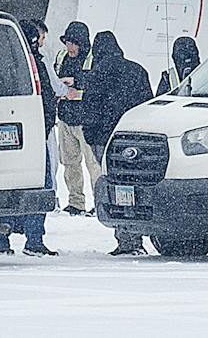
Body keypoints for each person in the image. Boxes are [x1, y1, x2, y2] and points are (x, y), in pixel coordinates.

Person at [81, 30, 154, 255]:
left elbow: (89, 110)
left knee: (116, 188)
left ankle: (124, 237)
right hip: (133, 140)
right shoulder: (137, 71)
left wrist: (91, 137)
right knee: (136, 186)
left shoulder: (96, 75)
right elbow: (147, 104)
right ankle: (136, 235)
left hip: (105, 140)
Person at [0, 19, 60, 256]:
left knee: (9, 187)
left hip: (8, 135)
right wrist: (45, 125)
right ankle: (34, 239)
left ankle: (2, 239)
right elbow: (45, 98)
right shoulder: (34, 63)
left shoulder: (3, 61)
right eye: (40, 38)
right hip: (33, 134)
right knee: (39, 187)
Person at [53, 21, 98, 215]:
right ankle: (76, 202)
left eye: (73, 43)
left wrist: (76, 84)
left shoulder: (92, 58)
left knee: (93, 165)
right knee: (70, 164)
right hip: (65, 118)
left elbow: (95, 81)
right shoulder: (61, 56)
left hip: (85, 119)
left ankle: (99, 202)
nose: (69, 47)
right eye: (67, 43)